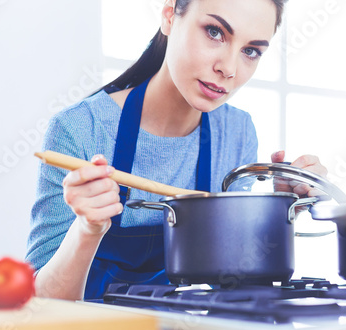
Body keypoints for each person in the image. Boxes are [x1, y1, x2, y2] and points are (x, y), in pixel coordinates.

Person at [26, 0, 328, 301]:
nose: (229, 68)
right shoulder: (80, 129)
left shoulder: (237, 132)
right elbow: (41, 304)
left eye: (250, 51)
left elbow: (235, 287)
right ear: (170, 14)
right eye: (214, 32)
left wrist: (278, 212)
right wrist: (87, 228)